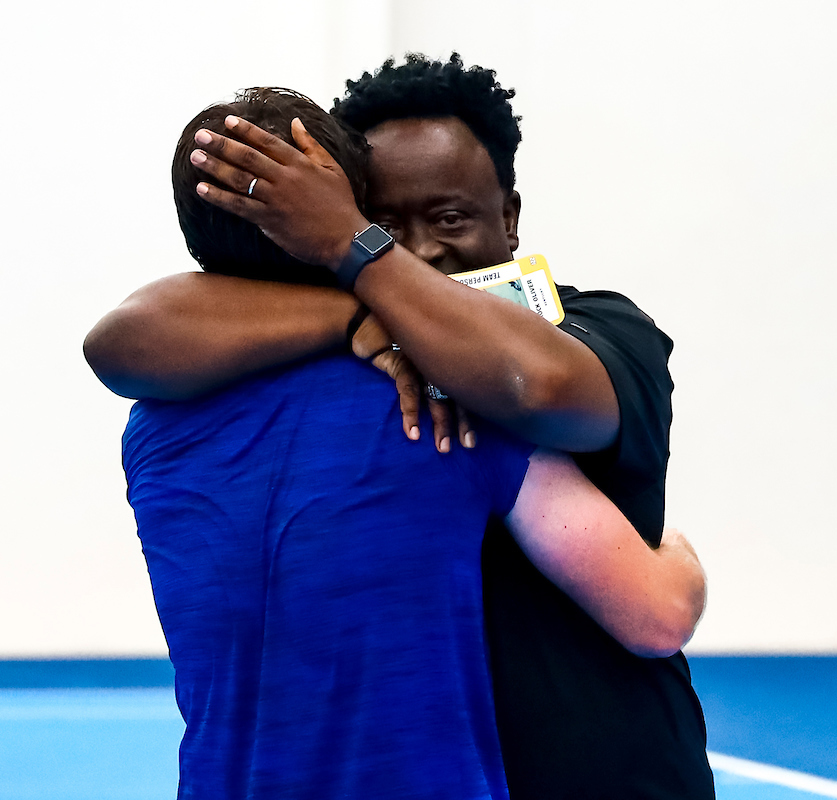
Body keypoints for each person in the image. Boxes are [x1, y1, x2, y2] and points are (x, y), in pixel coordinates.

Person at [85, 55, 714, 799]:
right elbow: (658, 610)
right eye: (382, 223)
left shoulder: (582, 332)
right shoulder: (423, 395)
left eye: (449, 218)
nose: (415, 250)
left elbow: (531, 378)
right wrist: (362, 305)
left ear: (508, 217)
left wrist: (360, 258)